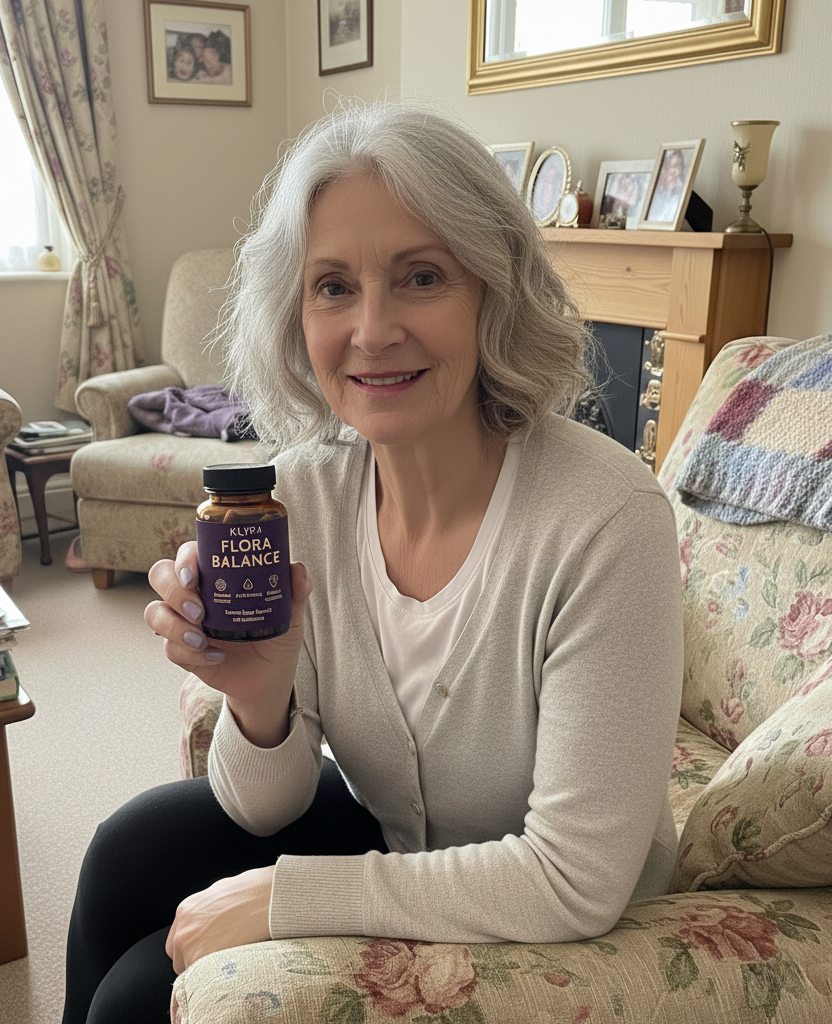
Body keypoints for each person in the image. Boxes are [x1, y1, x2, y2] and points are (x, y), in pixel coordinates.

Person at [60, 100, 684, 1024]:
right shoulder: (302, 496)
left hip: (562, 921)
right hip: (401, 842)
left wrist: (285, 899)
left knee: (141, 999)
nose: (373, 329)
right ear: (296, 313)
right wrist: (261, 698)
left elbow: (574, 879)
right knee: (126, 857)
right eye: (333, 287)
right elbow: (263, 809)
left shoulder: (606, 520)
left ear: (494, 291)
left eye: (421, 277)